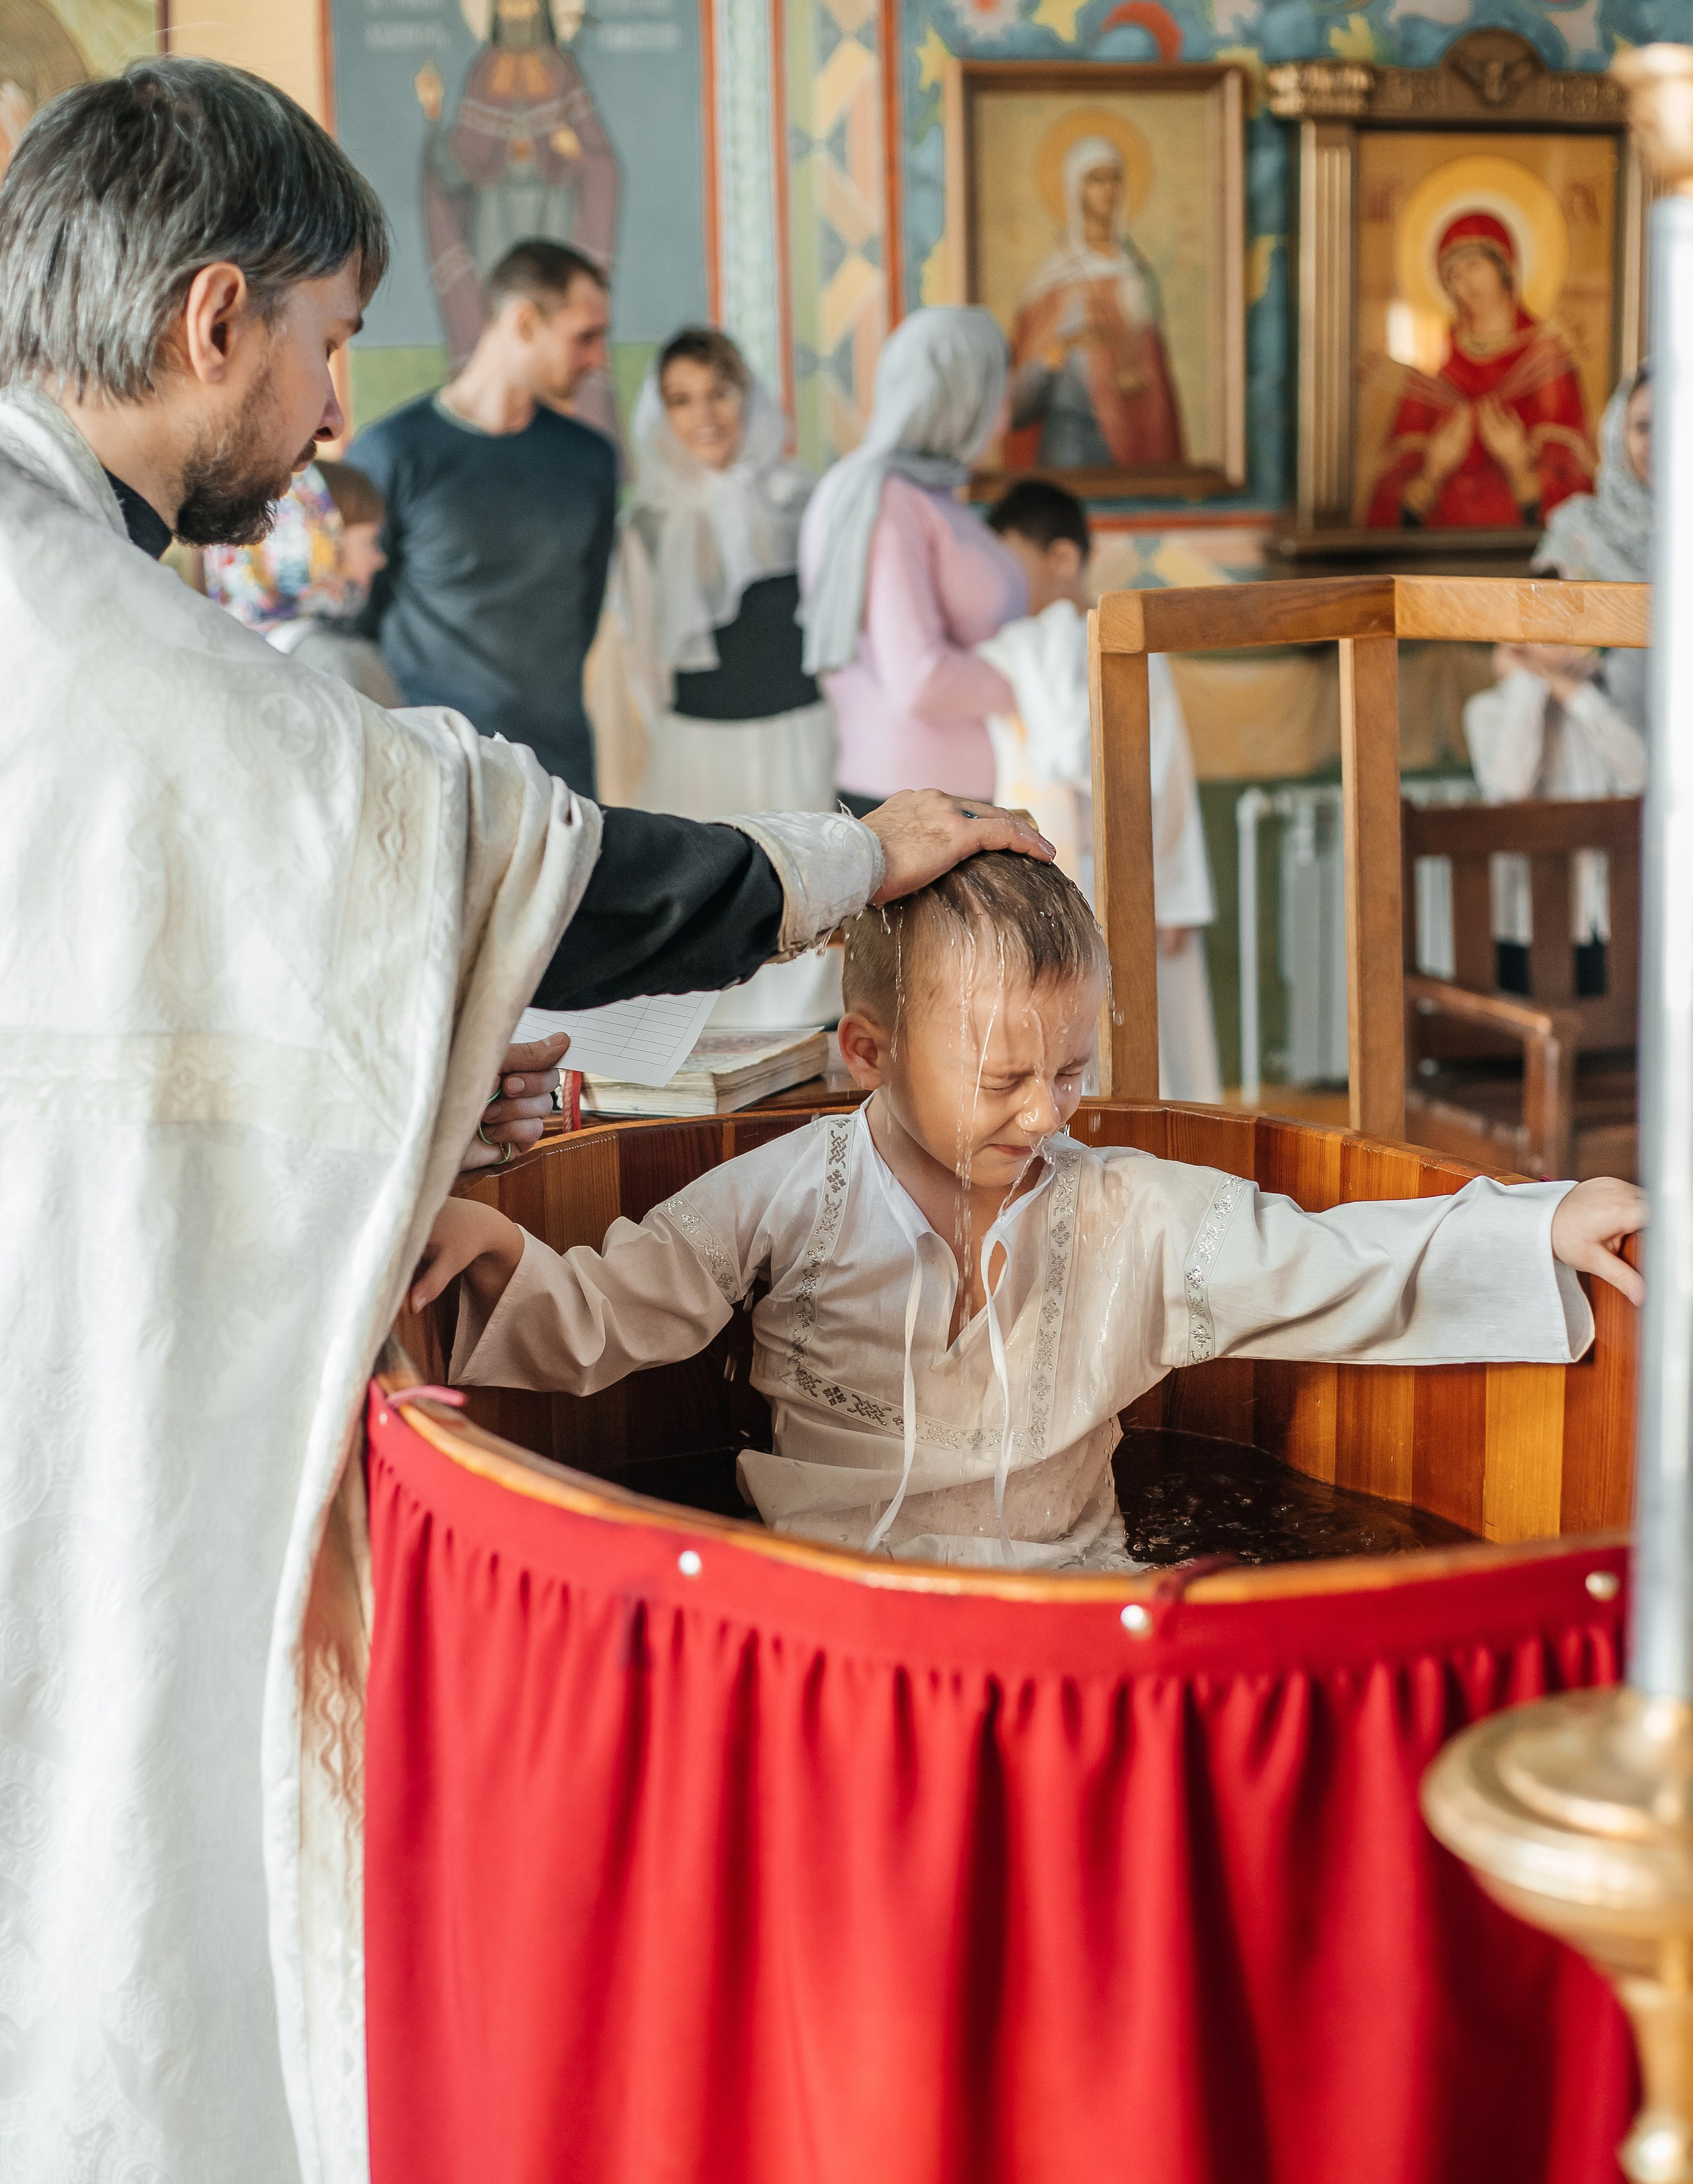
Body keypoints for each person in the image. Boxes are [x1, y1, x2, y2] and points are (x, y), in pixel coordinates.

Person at [0, 58, 1051, 2184]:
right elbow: (497, 858)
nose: (318, 412)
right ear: (213, 321)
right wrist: (857, 856)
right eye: (310, 349)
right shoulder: (93, 626)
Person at [415, 850, 1644, 1571]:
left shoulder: (1130, 1216)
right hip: (835, 1605)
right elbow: (609, 1309)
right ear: (868, 1049)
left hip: (1079, 1609)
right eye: (1002, 1080)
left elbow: (1333, 1262)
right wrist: (493, 1246)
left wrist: (1537, 1225)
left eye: (1069, 1073)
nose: (1046, 1114)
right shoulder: (790, 1196)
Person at [613, 323, 840, 1025]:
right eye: (682, 399)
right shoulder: (645, 524)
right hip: (696, 751)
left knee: (810, 926)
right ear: (662, 415)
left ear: (747, 397)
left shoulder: (803, 500)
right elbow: (639, 662)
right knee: (711, 938)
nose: (704, 414)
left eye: (718, 393)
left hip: (797, 739)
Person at [979, 478, 1221, 1101]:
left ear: (1063, 557)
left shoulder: (1104, 638)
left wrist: (1175, 896)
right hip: (1047, 872)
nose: (999, 583)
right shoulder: (1012, 648)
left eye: (1010, 564)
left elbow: (1159, 776)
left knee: (1148, 1044)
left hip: (1126, 870)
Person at [349, 235, 618, 792]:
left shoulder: (590, 459)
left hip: (562, 774)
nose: (597, 359)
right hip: (436, 771)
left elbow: (583, 611)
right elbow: (355, 625)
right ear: (523, 322)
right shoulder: (392, 454)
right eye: (584, 337)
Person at [1462, 366, 1652, 994]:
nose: (1661, 443)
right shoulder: (1581, 530)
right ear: (1617, 430)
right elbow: (1527, 631)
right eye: (1645, 426)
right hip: (1614, 743)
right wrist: (1550, 673)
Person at [798, 305, 1027, 809]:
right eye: (999, 397)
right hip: (925, 806)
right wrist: (1047, 678)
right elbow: (921, 678)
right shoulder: (884, 497)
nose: (1005, 422)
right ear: (959, 397)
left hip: (948, 794)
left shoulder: (919, 490)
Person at [417, 0, 620, 439]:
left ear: (542, 11)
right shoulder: (484, 70)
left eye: (526, 7)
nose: (518, 17)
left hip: (553, 208)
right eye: (509, 7)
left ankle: (560, 422)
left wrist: (575, 154)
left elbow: (600, 159)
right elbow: (461, 157)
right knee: (507, 310)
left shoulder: (564, 71)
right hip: (496, 210)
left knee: (557, 313)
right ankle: (499, 413)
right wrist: (434, 117)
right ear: (495, 13)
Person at [1366, 211, 1594, 530]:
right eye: (1453, 275)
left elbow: (1575, 490)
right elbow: (1387, 500)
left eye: (1474, 266)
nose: (1465, 283)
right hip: (1435, 554)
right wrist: (1433, 471)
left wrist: (1518, 464)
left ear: (1505, 269)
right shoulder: (1432, 367)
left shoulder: (1545, 360)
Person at [1007, 135, 1184, 472]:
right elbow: (1020, 398)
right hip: (1068, 438)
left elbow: (1154, 368)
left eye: (1114, 178)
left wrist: (1138, 378)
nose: (1107, 190)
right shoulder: (1052, 280)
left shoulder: (1138, 274)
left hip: (1133, 439)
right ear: (1075, 189)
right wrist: (1065, 345)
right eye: (1095, 180)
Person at [204, 456, 403, 705]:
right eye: (371, 542)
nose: (380, 560)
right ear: (320, 553)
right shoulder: (346, 665)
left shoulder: (212, 653)